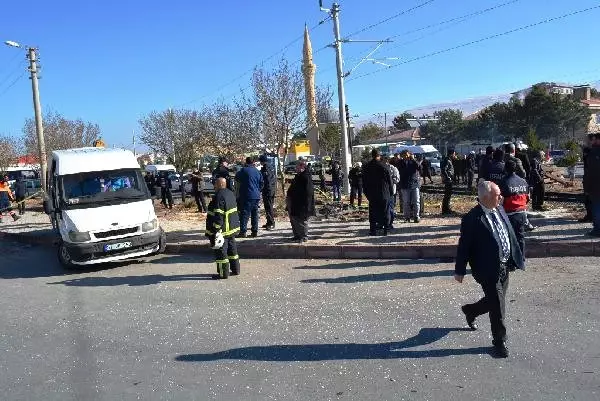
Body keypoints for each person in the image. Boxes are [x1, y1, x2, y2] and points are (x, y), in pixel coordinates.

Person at [454, 180, 525, 358]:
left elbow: (508, 234)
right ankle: (499, 342)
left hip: (504, 265)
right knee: (498, 305)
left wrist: (516, 257)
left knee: (495, 301)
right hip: (487, 269)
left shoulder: (499, 209)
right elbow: (464, 246)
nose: (501, 197)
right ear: (485, 197)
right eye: (497, 195)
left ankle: (471, 310)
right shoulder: (472, 218)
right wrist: (460, 270)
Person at [205, 177, 241, 279]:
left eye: (215, 184)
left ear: (220, 184)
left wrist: (215, 230)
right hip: (232, 228)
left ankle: (223, 273)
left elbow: (219, 216)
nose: (214, 186)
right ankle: (236, 269)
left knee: (221, 253)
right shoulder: (230, 193)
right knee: (232, 251)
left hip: (223, 230)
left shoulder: (219, 196)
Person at [500, 160, 530, 261]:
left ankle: (512, 261)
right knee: (520, 236)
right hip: (522, 213)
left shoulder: (503, 182)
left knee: (509, 238)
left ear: (505, 169)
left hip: (509, 214)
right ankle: (521, 258)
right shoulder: (523, 181)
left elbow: (500, 200)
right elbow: (528, 197)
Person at [363, 149, 394, 235]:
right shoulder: (384, 166)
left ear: (372, 155)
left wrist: (367, 194)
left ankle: (373, 230)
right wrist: (391, 192)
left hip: (372, 194)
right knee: (385, 211)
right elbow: (389, 181)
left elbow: (364, 182)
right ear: (379, 155)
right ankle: (385, 230)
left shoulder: (367, 167)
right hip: (384, 193)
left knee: (373, 212)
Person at [286, 160, 315, 242]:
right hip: (294, 202)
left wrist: (304, 203)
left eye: (297, 167)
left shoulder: (305, 177)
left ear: (302, 167)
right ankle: (297, 235)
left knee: (301, 220)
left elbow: (308, 192)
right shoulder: (298, 176)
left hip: (301, 204)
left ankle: (303, 236)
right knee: (294, 219)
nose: (295, 168)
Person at [235, 157, 263, 238]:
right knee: (254, 214)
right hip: (256, 196)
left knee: (244, 214)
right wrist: (258, 191)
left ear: (246, 162)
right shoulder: (258, 171)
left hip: (246, 195)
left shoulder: (243, 171)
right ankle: (254, 232)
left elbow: (237, 178)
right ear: (253, 162)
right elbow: (262, 184)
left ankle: (243, 232)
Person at [583, 133, 600, 237]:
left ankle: (597, 229)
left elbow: (590, 172)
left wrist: (587, 187)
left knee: (597, 208)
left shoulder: (594, 153)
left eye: (595, 140)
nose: (592, 142)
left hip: (596, 187)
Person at [398, 151, 421, 223]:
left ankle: (416, 216)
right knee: (406, 202)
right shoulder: (400, 163)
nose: (406, 156)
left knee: (416, 201)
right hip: (405, 185)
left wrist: (413, 160)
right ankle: (406, 217)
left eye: (407, 155)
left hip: (414, 184)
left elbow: (420, 168)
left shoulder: (413, 162)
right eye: (404, 155)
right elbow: (400, 171)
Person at [580, 134, 595, 222]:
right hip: (588, 176)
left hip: (591, 177)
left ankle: (591, 216)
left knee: (590, 198)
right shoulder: (588, 150)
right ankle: (589, 215)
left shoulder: (593, 150)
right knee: (587, 197)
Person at [259, 154, 276, 230]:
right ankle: (269, 222)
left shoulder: (266, 168)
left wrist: (265, 190)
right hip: (271, 190)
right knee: (268, 207)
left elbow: (268, 181)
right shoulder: (270, 166)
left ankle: (271, 223)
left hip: (268, 191)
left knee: (269, 207)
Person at [385, 157, 400, 229]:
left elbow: (397, 179)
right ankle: (385, 222)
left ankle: (390, 223)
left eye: (386, 161)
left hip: (391, 191)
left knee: (390, 208)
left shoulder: (393, 169)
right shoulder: (382, 168)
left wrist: (390, 179)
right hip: (384, 191)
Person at [441, 149, 456, 215]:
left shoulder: (449, 160)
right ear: (451, 154)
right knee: (447, 195)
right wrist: (448, 177)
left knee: (448, 195)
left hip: (449, 180)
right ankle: (445, 210)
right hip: (448, 180)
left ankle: (447, 209)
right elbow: (444, 169)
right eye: (454, 154)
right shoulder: (447, 160)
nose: (454, 155)